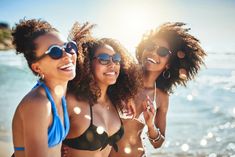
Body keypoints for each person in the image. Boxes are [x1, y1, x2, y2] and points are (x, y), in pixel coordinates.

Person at [109, 22, 206, 157]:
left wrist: (150, 125)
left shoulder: (161, 97)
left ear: (169, 64)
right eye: (151, 46)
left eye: (162, 52)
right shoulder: (121, 78)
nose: (154, 52)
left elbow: (157, 143)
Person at [62, 23, 141, 157]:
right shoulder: (71, 101)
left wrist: (129, 96)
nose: (112, 64)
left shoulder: (116, 101)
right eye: (104, 59)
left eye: (116, 59)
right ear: (86, 62)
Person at [11, 18, 81, 157]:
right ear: (37, 67)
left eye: (69, 47)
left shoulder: (60, 96)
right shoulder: (38, 104)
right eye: (55, 52)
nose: (67, 55)